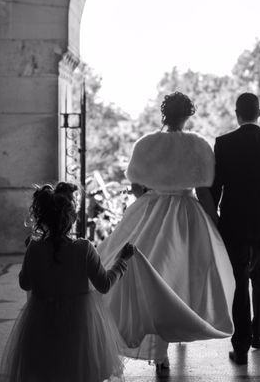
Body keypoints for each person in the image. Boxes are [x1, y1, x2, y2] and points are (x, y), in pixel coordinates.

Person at [97, 92, 235, 375]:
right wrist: (215, 221)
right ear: (188, 115)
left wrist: (156, 187)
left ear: (164, 114)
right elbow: (204, 191)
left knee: (153, 275)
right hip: (187, 215)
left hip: (150, 211)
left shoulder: (147, 144)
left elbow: (136, 188)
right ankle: (178, 329)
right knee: (183, 275)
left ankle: (161, 353)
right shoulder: (198, 145)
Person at [1, 182, 136, 382]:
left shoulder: (34, 248)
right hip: (80, 322)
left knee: (47, 368)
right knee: (79, 368)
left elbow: (25, 284)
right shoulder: (84, 248)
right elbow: (104, 284)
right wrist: (121, 261)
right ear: (72, 218)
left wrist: (30, 257)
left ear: (42, 218)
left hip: (41, 319)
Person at [211, 92, 260, 365]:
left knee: (239, 281)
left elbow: (216, 186)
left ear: (237, 113)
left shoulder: (223, 143)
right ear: (259, 113)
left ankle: (241, 346)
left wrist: (213, 220)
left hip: (234, 221)